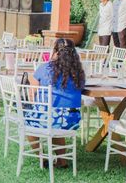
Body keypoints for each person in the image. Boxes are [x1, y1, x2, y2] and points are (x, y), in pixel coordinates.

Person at [28, 38, 85, 168]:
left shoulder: (45, 68)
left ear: (55, 52)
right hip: (72, 119)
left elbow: (32, 94)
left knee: (28, 123)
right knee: (56, 122)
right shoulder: (78, 72)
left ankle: (42, 158)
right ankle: (61, 160)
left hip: (51, 118)